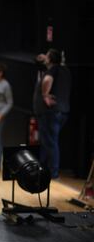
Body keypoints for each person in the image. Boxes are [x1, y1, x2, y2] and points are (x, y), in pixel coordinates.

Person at [33, 48, 71, 179]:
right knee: (47, 141)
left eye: (47, 56)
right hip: (63, 111)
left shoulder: (52, 70)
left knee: (50, 142)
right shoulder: (65, 70)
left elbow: (47, 80)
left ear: (50, 59)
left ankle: (53, 173)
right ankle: (41, 167)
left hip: (51, 112)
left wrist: (45, 95)